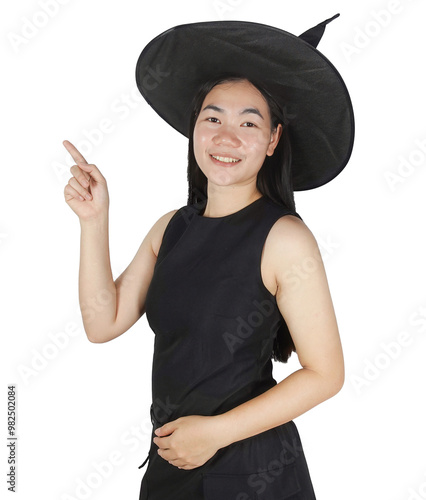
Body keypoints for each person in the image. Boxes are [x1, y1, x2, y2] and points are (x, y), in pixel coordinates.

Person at [63, 13, 354, 500]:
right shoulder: (171, 228)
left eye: (249, 122)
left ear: (273, 140)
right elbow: (103, 322)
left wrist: (215, 434)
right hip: (170, 468)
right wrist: (94, 222)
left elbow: (326, 374)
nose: (226, 136)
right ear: (194, 127)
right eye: (212, 118)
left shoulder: (284, 238)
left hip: (252, 473)